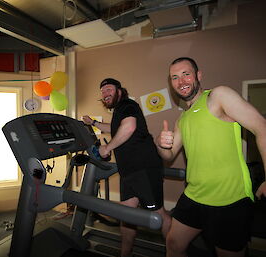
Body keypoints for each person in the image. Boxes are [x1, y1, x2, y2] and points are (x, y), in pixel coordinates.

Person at [156, 57, 266, 257]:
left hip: (229, 200)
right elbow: (169, 155)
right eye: (175, 77)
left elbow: (262, 127)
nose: (181, 82)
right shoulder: (183, 117)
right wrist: (162, 145)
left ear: (198, 75)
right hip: (194, 195)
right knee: (173, 243)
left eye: (186, 74)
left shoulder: (218, 96)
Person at [83, 78, 171, 257]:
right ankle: (125, 253)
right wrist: (93, 123)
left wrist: (107, 147)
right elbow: (115, 128)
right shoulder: (119, 111)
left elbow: (129, 127)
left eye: (108, 89)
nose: (105, 94)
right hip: (129, 171)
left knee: (159, 214)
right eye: (102, 92)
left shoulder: (127, 104)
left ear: (120, 91)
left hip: (143, 168)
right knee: (126, 215)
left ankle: (176, 251)